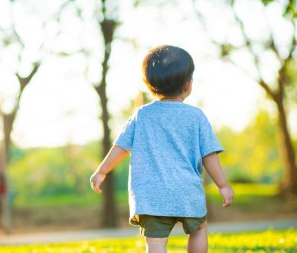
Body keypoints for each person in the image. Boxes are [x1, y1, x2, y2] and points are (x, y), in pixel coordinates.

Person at [90, 45, 234, 253]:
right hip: (187, 192)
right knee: (199, 229)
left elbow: (121, 146)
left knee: (155, 242)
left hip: (151, 196)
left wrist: (102, 171)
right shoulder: (196, 117)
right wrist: (222, 185)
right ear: (188, 83)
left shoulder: (142, 115)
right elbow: (208, 155)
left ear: (150, 85)